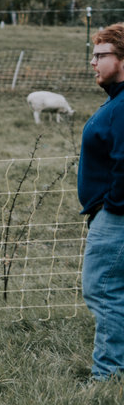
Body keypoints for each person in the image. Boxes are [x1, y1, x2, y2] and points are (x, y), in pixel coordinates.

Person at [80, 22, 124, 381]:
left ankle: (108, 374)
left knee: (104, 291)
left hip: (117, 217)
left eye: (100, 55)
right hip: (111, 212)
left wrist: (112, 206)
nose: (93, 62)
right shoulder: (117, 101)